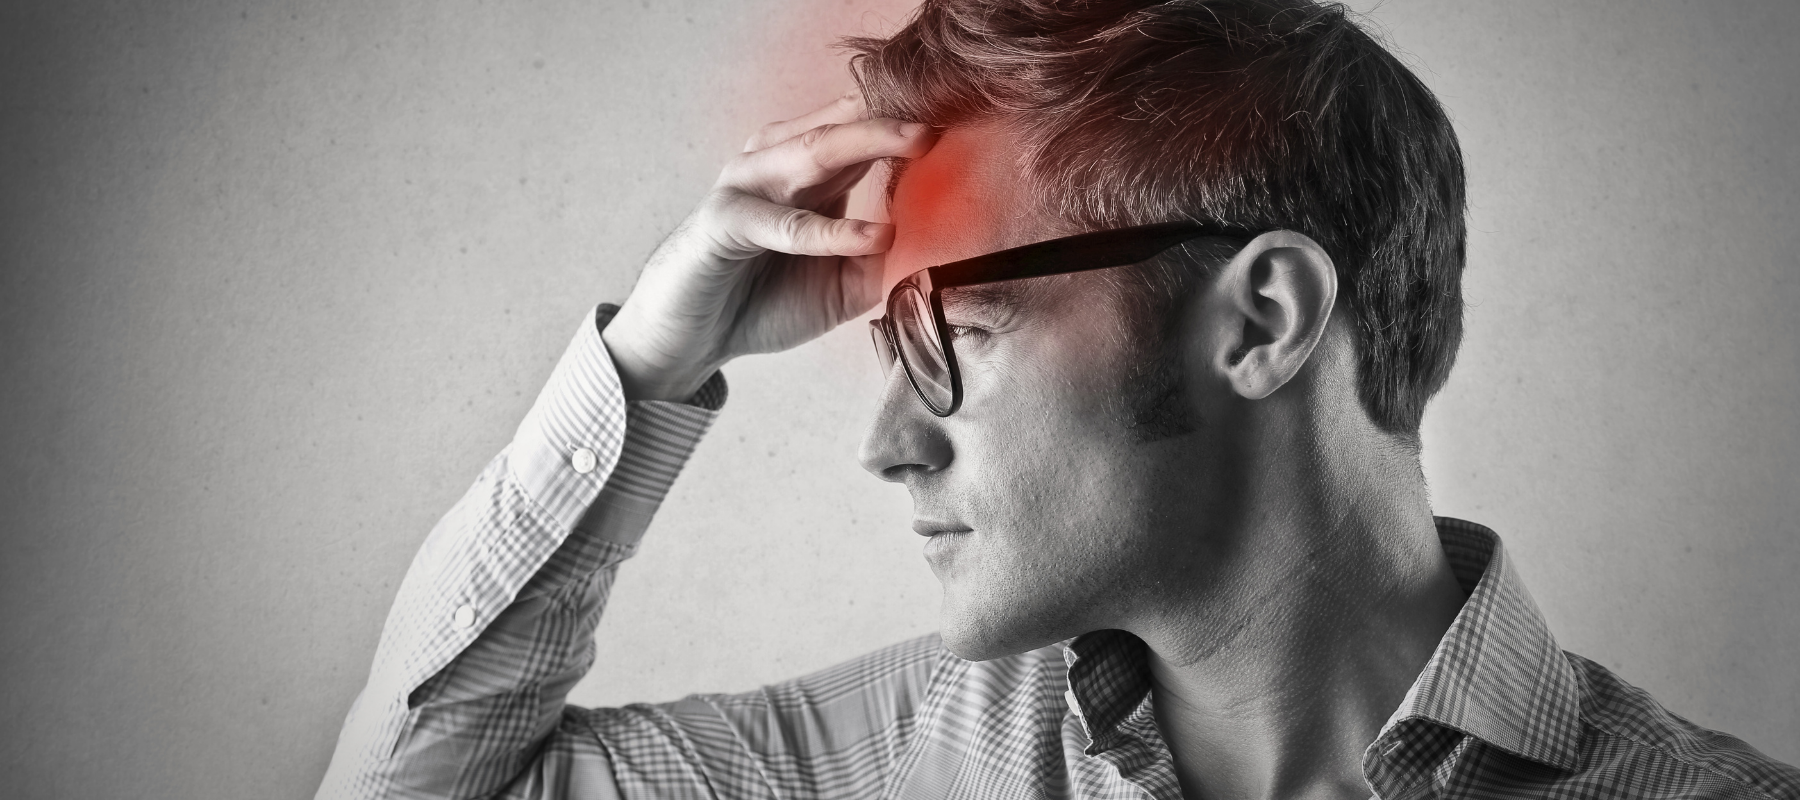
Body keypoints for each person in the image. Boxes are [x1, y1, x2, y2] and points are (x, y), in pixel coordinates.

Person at [316, 1, 1800, 798]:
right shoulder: (900, 760)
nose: (885, 445)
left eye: (951, 332)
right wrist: (651, 359)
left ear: (1262, 320)